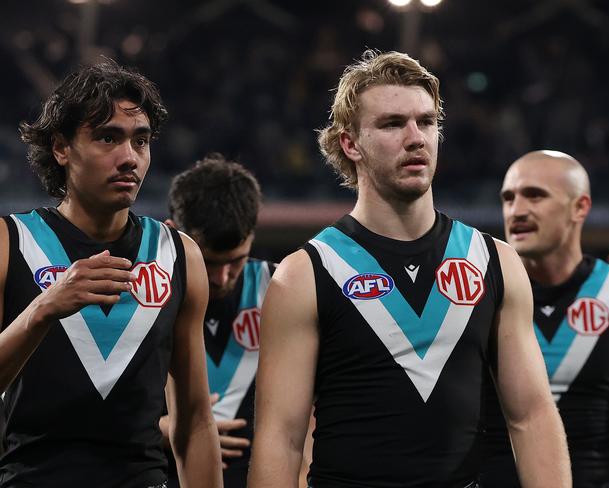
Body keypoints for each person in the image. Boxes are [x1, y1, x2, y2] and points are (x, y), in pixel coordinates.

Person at [248, 49, 571, 488]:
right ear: (350, 143)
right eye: (392, 124)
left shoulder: (495, 262)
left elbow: (531, 417)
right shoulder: (305, 274)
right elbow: (281, 440)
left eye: (427, 122)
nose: (416, 137)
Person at [0, 60, 222, 487]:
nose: (129, 158)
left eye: (141, 141)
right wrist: (42, 310)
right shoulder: (11, 243)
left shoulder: (178, 255)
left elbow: (194, 421)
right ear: (61, 148)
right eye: (108, 138)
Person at [482, 150, 609, 488]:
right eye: (508, 198)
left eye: (535, 195)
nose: (517, 211)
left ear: (580, 207)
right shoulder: (476, 295)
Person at [162, 154, 275, 488]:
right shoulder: (144, 298)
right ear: (172, 233)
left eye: (236, 261)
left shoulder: (279, 290)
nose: (221, 278)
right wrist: (167, 430)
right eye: (208, 262)